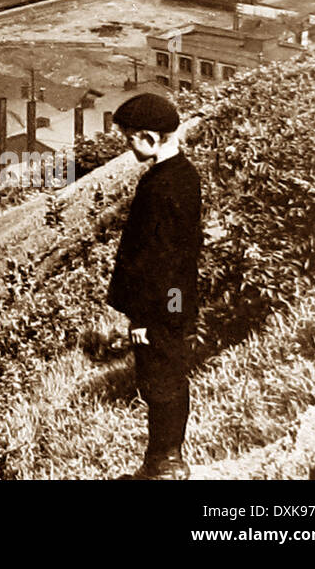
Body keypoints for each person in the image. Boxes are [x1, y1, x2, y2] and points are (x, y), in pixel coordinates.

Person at [106, 92, 202, 480]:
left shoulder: (162, 186)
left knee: (160, 380)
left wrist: (149, 318)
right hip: (173, 303)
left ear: (149, 137)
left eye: (130, 138)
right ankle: (160, 461)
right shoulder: (181, 175)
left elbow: (163, 261)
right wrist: (175, 311)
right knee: (167, 375)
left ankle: (165, 464)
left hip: (161, 306)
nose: (128, 145)